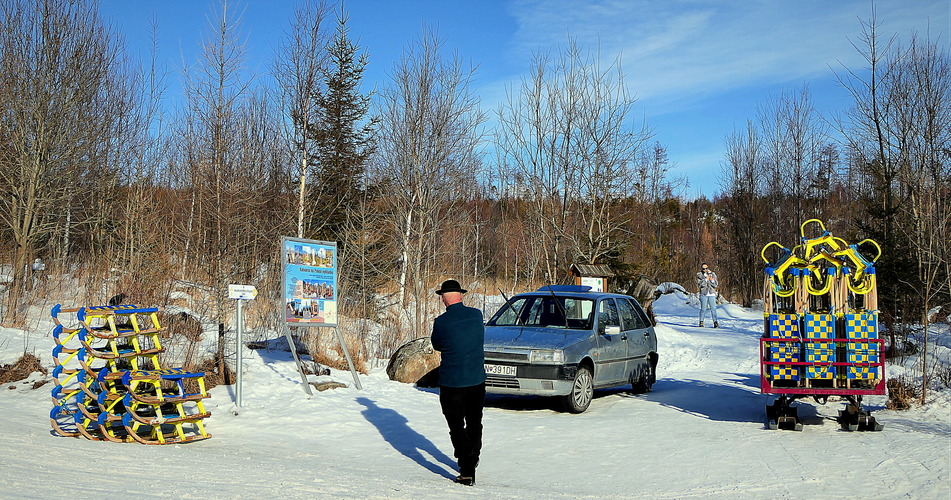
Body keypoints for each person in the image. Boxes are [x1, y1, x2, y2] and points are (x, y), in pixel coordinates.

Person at [430, 279, 486, 486]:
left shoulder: (441, 322)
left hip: (452, 383)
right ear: (461, 295)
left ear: (445, 297)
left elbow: (437, 344)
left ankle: (467, 468)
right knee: (474, 421)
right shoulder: (476, 315)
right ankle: (474, 455)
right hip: (476, 380)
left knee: (456, 426)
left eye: (442, 296)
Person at [696, 263, 719, 328]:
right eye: (703, 269)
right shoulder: (699, 275)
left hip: (711, 293)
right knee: (703, 309)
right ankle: (701, 322)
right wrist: (705, 279)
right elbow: (700, 284)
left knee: (713, 308)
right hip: (704, 294)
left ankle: (715, 322)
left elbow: (716, 285)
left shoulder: (713, 274)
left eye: (706, 268)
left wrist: (712, 281)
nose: (705, 270)